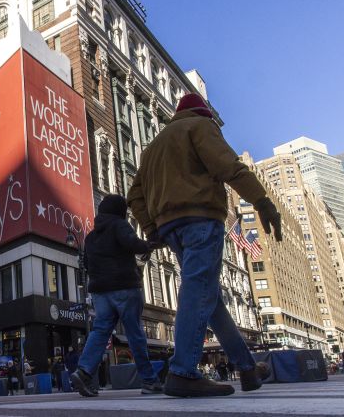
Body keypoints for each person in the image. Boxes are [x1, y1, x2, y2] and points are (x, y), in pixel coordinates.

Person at [128, 93, 278, 397]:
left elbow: (135, 195)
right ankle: (183, 370)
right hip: (200, 217)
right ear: (204, 113)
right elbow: (228, 167)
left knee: (209, 297)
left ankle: (247, 368)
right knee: (199, 288)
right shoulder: (200, 126)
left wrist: (150, 227)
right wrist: (261, 200)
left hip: (170, 227)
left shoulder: (152, 148)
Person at [69, 194, 162, 397]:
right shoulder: (119, 225)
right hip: (124, 286)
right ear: (120, 211)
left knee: (100, 331)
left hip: (100, 292)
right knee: (135, 333)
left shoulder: (90, 237)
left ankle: (83, 372)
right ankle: (148, 380)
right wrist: (147, 246)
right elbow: (132, 243)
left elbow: (86, 265)